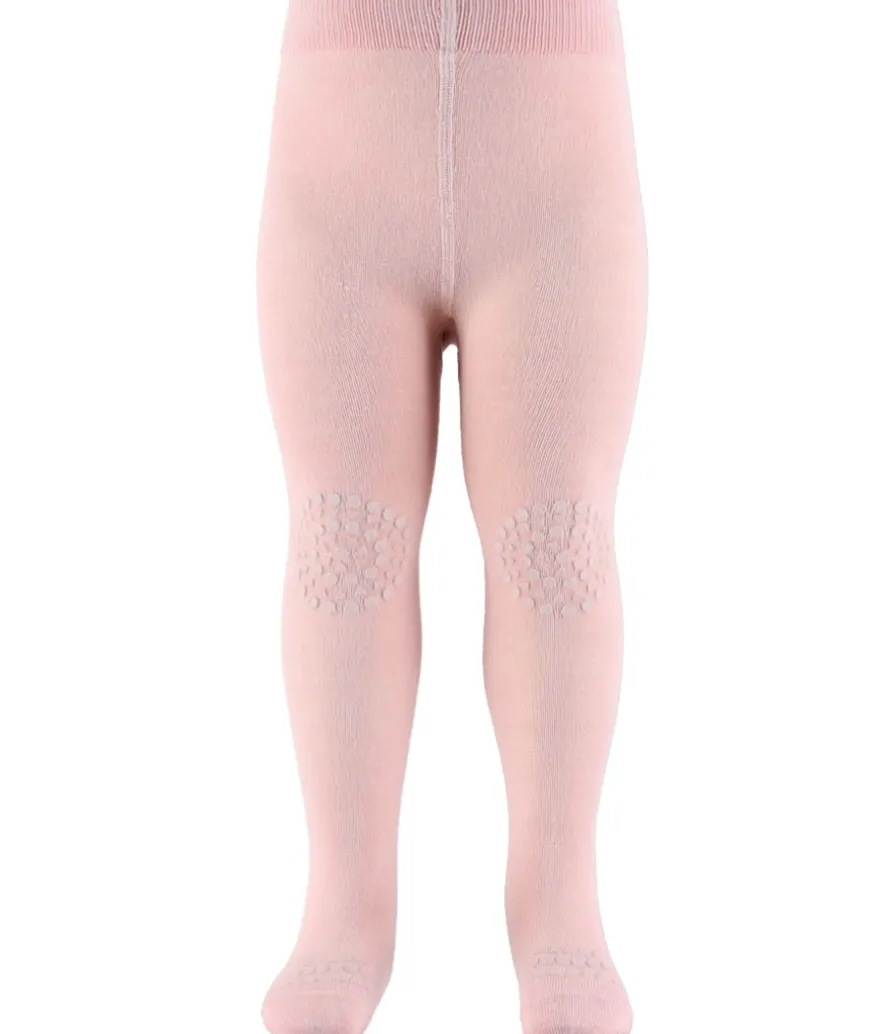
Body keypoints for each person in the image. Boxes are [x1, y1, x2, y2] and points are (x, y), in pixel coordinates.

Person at [255, 1, 647, 1030]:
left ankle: (558, 895)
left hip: (553, 141)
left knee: (557, 540)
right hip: (343, 139)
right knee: (341, 536)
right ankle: (345, 901)